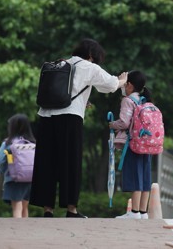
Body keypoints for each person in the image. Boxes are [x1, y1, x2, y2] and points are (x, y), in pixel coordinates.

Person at [30, 38, 128, 218]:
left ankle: (47, 209)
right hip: (70, 117)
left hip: (46, 116)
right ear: (91, 54)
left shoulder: (60, 63)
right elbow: (110, 85)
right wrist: (122, 80)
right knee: (70, 162)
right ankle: (71, 209)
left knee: (47, 162)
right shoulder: (89, 66)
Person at [109, 70, 152, 219]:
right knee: (145, 176)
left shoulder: (128, 101)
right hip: (147, 144)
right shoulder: (144, 100)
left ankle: (133, 212)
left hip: (133, 144)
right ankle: (143, 212)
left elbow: (124, 122)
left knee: (134, 176)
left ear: (129, 85)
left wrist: (111, 125)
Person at [0, 113, 36, 218]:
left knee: (17, 206)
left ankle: (18, 231)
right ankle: (25, 230)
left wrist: (1, 171)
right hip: (30, 179)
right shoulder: (32, 143)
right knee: (24, 206)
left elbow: (0, 161)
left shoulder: (8, 143)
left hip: (13, 178)